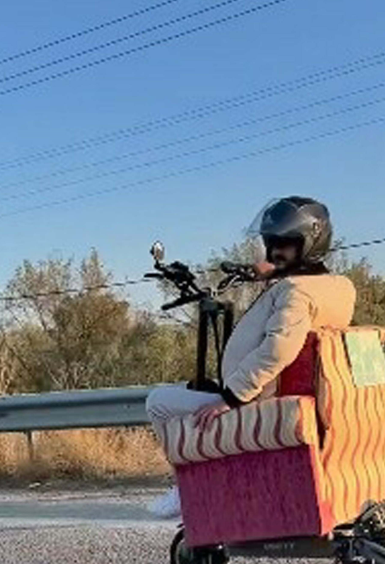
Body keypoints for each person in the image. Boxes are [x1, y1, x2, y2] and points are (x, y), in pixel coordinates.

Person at [146, 196, 356, 517]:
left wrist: (231, 398)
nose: (274, 252)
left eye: (285, 244)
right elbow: (298, 289)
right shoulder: (336, 286)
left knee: (158, 403)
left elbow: (278, 349)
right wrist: (263, 273)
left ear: (309, 244)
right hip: (286, 388)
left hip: (257, 395)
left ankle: (186, 489)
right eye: (270, 243)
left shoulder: (295, 291)